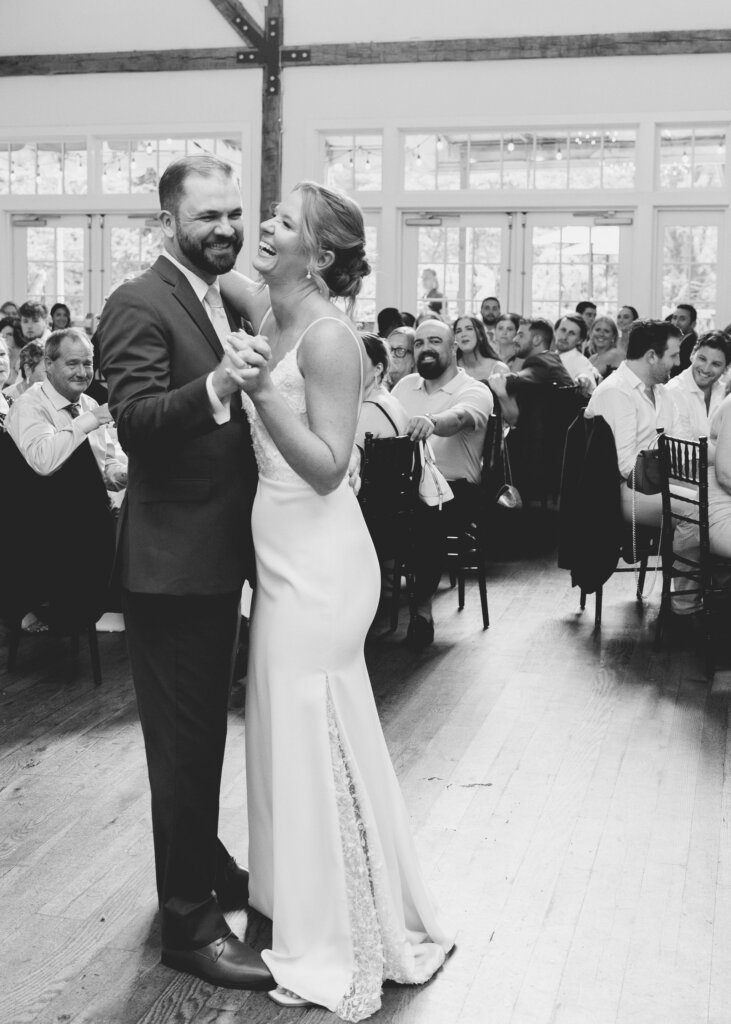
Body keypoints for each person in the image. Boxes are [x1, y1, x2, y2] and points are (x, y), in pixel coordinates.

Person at [219, 182, 454, 1016]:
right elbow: (222, 277)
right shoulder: (269, 302)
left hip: (319, 557)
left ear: (317, 255)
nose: (261, 226)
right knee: (283, 727)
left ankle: (337, 923)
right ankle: (294, 896)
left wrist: (257, 391)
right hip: (279, 550)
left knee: (307, 727)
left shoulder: (326, 339)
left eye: (282, 222)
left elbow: (325, 467)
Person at [98, 155, 272, 991]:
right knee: (185, 749)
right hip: (170, 567)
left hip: (215, 554)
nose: (227, 229)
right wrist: (214, 386)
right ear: (171, 220)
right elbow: (133, 424)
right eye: (208, 217)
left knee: (199, 736)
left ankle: (210, 867)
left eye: (234, 213)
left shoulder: (214, 295)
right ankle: (189, 925)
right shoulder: (137, 302)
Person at [391, 318, 493, 648]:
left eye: (434, 341)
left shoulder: (474, 389)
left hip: (456, 490)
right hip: (404, 486)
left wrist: (432, 421)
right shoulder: (405, 387)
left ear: (453, 348)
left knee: (426, 513)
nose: (425, 349)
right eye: (418, 343)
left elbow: (461, 417)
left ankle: (422, 610)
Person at [584, 318, 683, 526]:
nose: (678, 363)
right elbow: (627, 466)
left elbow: (679, 444)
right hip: (620, 490)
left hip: (654, 479)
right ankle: (677, 559)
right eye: (674, 355)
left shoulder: (663, 392)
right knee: (698, 509)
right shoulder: (616, 391)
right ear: (652, 356)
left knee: (715, 499)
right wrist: (672, 473)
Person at [488, 317, 573, 426]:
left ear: (536, 340)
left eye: (521, 335)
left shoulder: (542, 363)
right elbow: (515, 418)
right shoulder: (551, 360)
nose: (515, 339)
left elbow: (514, 380)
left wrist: (496, 381)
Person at [666, 330, 730, 440]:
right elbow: (683, 449)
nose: (706, 369)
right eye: (702, 359)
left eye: (715, 364)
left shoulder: (725, 393)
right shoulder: (673, 391)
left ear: (726, 369)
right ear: (692, 355)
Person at [355, 331, 408, 447]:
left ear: (378, 369)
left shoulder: (370, 409)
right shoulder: (390, 401)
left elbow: (346, 462)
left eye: (357, 360)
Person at [453, 314, 510, 382]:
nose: (463, 334)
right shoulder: (450, 369)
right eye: (458, 331)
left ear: (481, 336)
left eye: (469, 329)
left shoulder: (499, 369)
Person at [554, 314, 599, 390]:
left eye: (572, 333)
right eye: (563, 330)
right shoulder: (550, 356)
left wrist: (583, 380)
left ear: (580, 340)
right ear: (555, 331)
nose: (565, 337)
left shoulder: (580, 362)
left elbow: (587, 382)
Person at [670, 302, 698, 374]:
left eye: (682, 319)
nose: (676, 323)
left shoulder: (693, 345)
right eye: (674, 318)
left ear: (693, 324)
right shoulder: (674, 340)